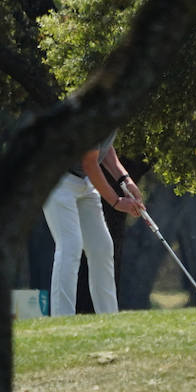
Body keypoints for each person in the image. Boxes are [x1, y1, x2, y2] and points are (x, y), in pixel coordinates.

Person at [43, 131, 144, 316]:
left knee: (102, 247)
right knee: (70, 246)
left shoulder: (117, 110)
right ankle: (61, 318)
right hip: (56, 178)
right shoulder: (101, 105)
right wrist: (117, 202)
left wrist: (125, 180)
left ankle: (109, 317)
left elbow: (104, 148)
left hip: (83, 182)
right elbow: (89, 163)